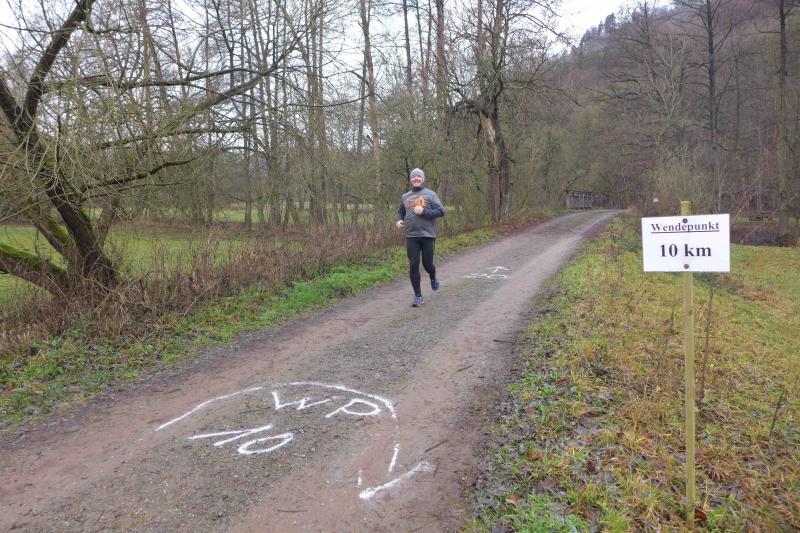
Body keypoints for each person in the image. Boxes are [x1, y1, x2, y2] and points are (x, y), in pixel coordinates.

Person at [395, 168, 445, 307]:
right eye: (413, 177)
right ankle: (418, 296)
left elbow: (441, 212)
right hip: (411, 236)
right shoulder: (405, 196)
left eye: (418, 176)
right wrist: (399, 220)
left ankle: (433, 276)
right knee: (413, 265)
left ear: (422, 179)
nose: (416, 178)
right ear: (411, 179)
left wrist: (424, 211)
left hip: (428, 235)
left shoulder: (430, 194)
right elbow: (400, 211)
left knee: (427, 264)